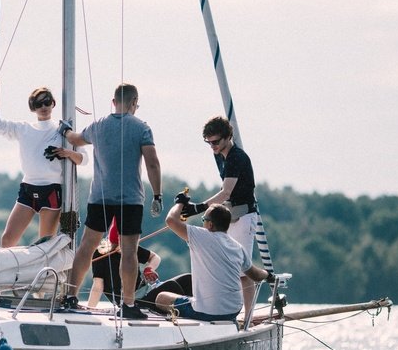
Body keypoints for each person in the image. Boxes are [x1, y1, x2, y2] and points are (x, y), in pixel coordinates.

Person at [61, 83, 162, 320]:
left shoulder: (98, 126)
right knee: (129, 252)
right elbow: (152, 163)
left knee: (86, 246)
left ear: (113, 101)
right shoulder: (142, 128)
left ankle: (70, 297)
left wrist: (64, 130)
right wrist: (157, 195)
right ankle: (128, 304)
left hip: (100, 197)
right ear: (134, 102)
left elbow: (75, 138)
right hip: (130, 200)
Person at [0, 75, 86, 247]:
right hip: (28, 188)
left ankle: (46, 274)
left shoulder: (62, 130)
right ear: (32, 107)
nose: (43, 107)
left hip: (51, 191)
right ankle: (7, 274)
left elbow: (83, 159)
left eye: (47, 102)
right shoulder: (23, 129)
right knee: (7, 240)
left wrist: (67, 153)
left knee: (45, 245)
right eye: (38, 103)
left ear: (53, 104)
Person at [180, 116, 261, 318]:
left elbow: (226, 192)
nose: (212, 146)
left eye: (215, 142)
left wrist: (197, 208)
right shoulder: (220, 155)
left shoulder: (237, 157)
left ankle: (248, 318)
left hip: (243, 217)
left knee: (244, 272)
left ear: (228, 137)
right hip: (229, 216)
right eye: (208, 143)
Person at [158, 203, 273, 322]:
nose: (202, 222)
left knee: (161, 298)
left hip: (206, 312)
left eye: (203, 219)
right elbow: (256, 275)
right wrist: (269, 275)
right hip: (233, 311)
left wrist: (180, 203)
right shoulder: (238, 247)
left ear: (210, 224)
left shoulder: (201, 235)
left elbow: (171, 220)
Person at [87, 218, 161, 308]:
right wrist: (90, 309)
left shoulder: (131, 248)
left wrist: (149, 268)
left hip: (144, 292)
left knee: (179, 282)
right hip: (132, 300)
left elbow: (155, 257)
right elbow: (97, 286)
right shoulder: (100, 253)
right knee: (171, 286)